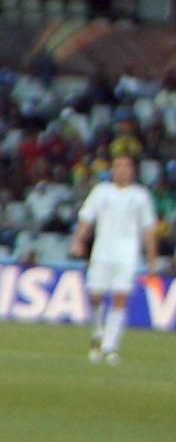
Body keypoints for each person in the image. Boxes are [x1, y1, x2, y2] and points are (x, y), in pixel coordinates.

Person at [71, 153, 157, 365]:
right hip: (101, 252)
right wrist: (78, 240)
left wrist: (152, 258)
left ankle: (110, 347)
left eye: (126, 166)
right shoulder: (101, 192)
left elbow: (148, 229)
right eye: (118, 166)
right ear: (112, 170)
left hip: (127, 254)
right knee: (95, 296)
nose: (122, 170)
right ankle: (98, 332)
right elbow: (86, 218)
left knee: (120, 298)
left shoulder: (140, 195)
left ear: (132, 170)